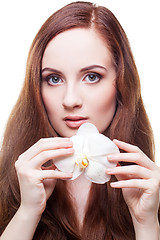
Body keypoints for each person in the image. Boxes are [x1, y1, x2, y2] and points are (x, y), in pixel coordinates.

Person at [0, 1, 159, 239]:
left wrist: (146, 224)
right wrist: (27, 213)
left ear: (121, 83)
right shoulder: (8, 183)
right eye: (54, 79)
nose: (70, 100)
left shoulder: (149, 189)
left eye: (92, 76)